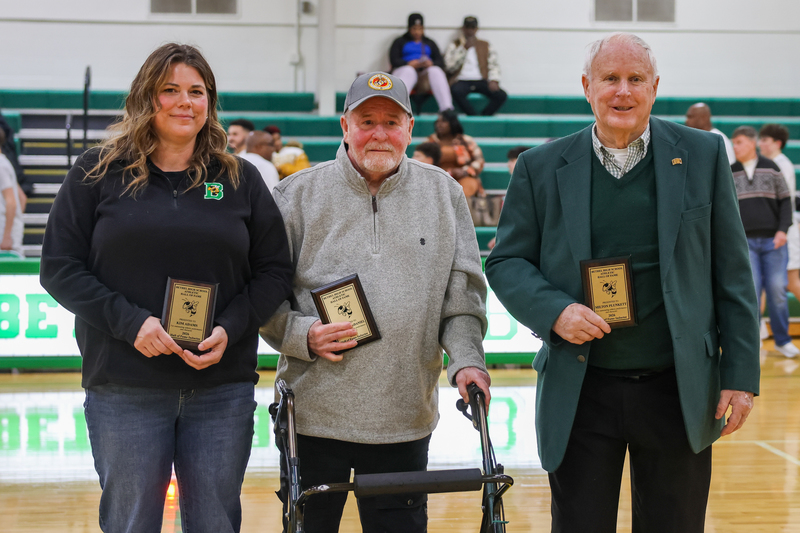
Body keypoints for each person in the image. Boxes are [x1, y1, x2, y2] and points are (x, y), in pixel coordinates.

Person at [486, 33, 760, 532]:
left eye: (635, 79)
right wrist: (555, 311)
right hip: (581, 388)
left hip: (677, 388)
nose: (623, 91)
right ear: (587, 87)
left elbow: (733, 271)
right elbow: (506, 262)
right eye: (610, 78)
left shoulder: (701, 155)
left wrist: (740, 376)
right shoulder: (540, 166)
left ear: (655, 88)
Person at [39, 43, 294, 532]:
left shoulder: (240, 178)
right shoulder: (97, 171)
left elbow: (275, 271)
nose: (185, 102)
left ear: (210, 102)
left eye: (196, 91)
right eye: (170, 90)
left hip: (220, 388)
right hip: (126, 387)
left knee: (215, 524)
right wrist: (131, 323)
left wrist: (232, 326)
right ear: (145, 98)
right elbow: (60, 267)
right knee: (131, 524)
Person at [260, 71, 490, 533]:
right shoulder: (295, 196)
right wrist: (302, 334)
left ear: (409, 128)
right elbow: (262, 294)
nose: (379, 133)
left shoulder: (444, 193)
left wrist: (467, 359)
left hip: (404, 419)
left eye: (391, 121)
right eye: (367, 121)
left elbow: (462, 295)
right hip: (312, 419)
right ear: (345, 126)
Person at [731, 125, 798, 358]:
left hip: (773, 241)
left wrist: (782, 231)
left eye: (739, 142)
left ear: (752, 143)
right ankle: (752, 340)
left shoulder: (772, 168)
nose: (735, 147)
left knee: (778, 290)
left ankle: (782, 340)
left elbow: (785, 202)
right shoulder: (730, 172)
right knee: (751, 291)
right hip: (745, 243)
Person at [758, 124, 800, 309]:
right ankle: (759, 330)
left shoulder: (782, 165)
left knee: (791, 282)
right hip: (771, 232)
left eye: (765, 140)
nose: (760, 144)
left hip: (784, 232)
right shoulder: (769, 165)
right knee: (759, 282)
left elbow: (780, 202)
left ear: (777, 143)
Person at [389, 13, 453, 113]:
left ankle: (447, 109)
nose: (417, 32)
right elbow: (394, 60)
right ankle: (396, 108)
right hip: (406, 73)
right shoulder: (400, 41)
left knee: (435, 70)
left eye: (420, 28)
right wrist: (408, 63)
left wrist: (430, 63)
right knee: (408, 70)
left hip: (424, 77)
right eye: (414, 28)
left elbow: (440, 62)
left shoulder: (429, 42)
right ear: (409, 28)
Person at [444, 16, 508, 116]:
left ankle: (484, 116)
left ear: (476, 29)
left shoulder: (485, 45)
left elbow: (494, 64)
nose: (470, 31)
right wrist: (463, 49)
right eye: (468, 28)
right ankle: (472, 116)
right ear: (463, 29)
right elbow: (449, 66)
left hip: (480, 80)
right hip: (461, 80)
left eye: (472, 28)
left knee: (501, 95)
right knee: (455, 91)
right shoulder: (455, 44)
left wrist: (494, 79)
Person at [426, 109, 484, 197]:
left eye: (444, 121)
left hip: (462, 177)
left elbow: (479, 160)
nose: (439, 124)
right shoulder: (430, 142)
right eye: (438, 122)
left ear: (452, 123)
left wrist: (465, 171)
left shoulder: (466, 140)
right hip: (438, 178)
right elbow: (421, 161)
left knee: (468, 186)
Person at [0, 129, 23, 256]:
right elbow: (22, 197)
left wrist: (7, 235)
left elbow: (12, 202)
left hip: (5, 238)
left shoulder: (1, 166)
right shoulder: (5, 163)